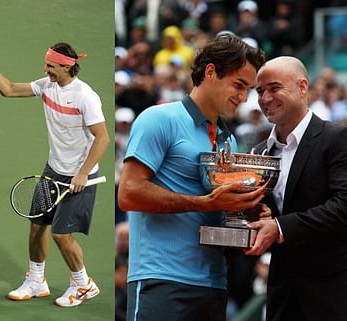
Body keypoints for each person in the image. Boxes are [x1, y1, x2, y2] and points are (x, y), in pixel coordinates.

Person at [117, 34, 267, 321]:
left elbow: (221, 215)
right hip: (161, 281)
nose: (244, 97)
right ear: (210, 72)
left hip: (213, 285)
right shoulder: (158, 119)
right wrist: (206, 203)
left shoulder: (229, 142)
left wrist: (249, 215)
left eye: (248, 89)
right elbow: (128, 193)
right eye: (238, 85)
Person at [0, 35, 109, 307]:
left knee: (61, 234)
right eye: (46, 65)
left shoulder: (86, 96)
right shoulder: (46, 86)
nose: (46, 70)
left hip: (80, 175)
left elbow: (102, 137)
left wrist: (82, 173)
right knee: (37, 226)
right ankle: (36, 280)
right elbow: (10, 89)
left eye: (50, 66)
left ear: (67, 67)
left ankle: (84, 285)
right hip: (53, 170)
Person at [246, 56, 347, 321]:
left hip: (336, 291)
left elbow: (346, 208)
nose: (265, 98)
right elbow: (262, 214)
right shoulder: (258, 153)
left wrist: (279, 228)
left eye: (274, 88)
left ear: (302, 87)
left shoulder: (340, 139)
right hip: (284, 293)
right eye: (260, 91)